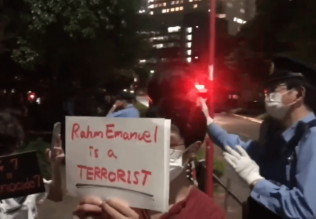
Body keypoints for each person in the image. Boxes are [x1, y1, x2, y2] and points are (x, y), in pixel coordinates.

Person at [201, 56, 316, 219]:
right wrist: (208, 122)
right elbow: (242, 149)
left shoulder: (312, 138)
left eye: (275, 89)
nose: (268, 96)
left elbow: (305, 210)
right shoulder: (280, 135)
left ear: (298, 94)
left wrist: (256, 181)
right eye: (267, 91)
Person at [72, 118, 224, 218]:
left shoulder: (209, 214)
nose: (153, 148)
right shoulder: (119, 195)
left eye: (166, 141)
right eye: (147, 137)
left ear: (193, 150)